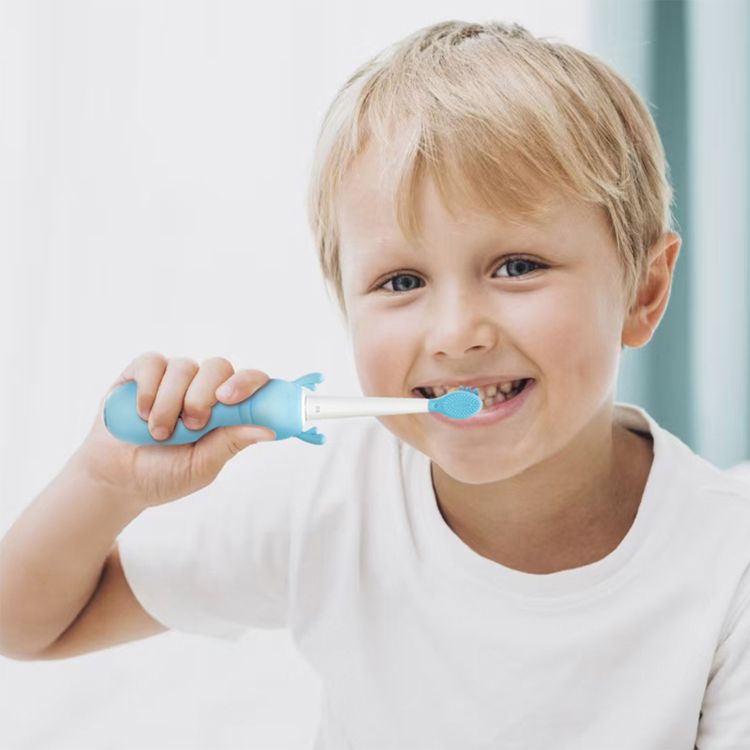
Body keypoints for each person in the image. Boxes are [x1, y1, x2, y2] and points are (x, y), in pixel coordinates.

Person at [2, 19, 749, 750]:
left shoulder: (728, 562)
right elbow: (27, 625)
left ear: (644, 293)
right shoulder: (327, 504)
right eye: (401, 280)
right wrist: (106, 483)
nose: (457, 332)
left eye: (517, 266)